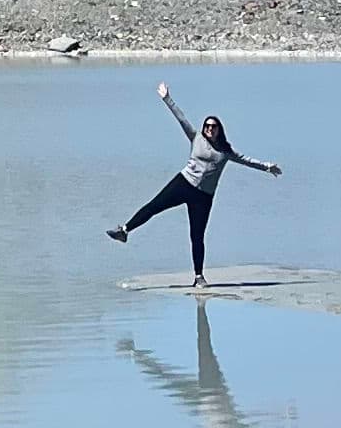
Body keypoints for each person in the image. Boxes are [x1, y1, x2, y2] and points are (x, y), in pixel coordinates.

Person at [107, 83, 282, 282]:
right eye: (207, 126)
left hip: (203, 197)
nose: (209, 129)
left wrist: (267, 167)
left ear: (219, 130)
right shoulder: (196, 137)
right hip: (183, 183)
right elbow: (181, 118)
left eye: (213, 127)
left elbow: (246, 160)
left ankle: (199, 277)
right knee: (153, 206)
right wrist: (167, 98)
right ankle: (124, 230)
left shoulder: (226, 151)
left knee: (197, 236)